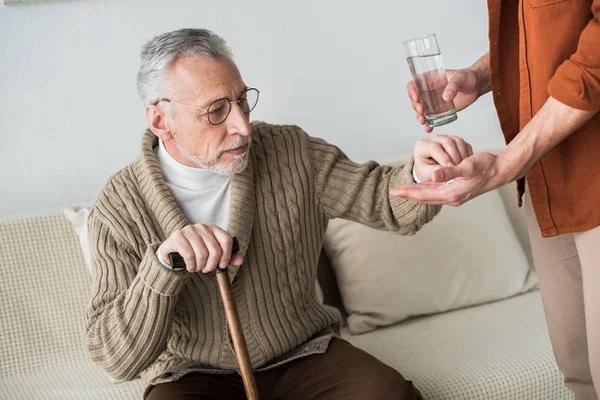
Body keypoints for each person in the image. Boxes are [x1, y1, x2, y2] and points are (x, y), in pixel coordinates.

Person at [84, 28, 472, 400]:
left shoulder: (290, 150)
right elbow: (116, 358)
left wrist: (422, 171)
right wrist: (162, 268)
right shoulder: (119, 204)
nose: (242, 126)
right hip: (193, 374)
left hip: (305, 353)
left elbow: (384, 201)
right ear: (160, 121)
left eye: (242, 101)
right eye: (216, 110)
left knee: (393, 396)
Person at [394, 2, 600, 398]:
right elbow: (547, 37)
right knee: (578, 374)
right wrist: (479, 75)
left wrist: (505, 163)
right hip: (547, 184)